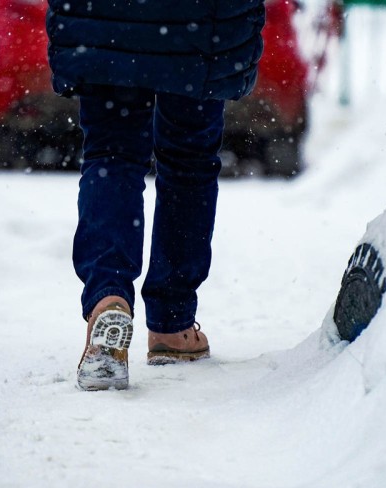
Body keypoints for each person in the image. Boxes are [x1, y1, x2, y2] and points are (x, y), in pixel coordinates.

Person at [46, 1, 266, 390]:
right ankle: (172, 323)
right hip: (199, 24)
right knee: (189, 160)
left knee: (111, 155)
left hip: (104, 17)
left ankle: (108, 299)